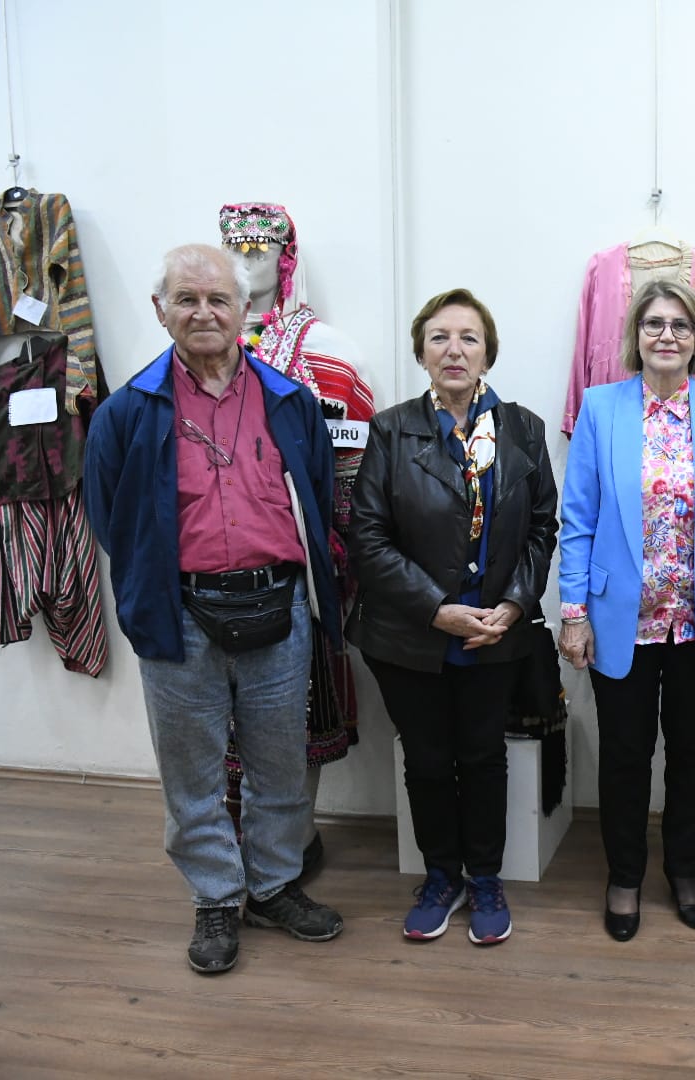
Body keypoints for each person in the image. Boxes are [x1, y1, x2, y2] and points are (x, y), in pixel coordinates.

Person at [83, 243, 345, 975]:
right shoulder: (126, 412)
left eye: (218, 299)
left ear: (244, 310)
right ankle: (217, 898)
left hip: (278, 611)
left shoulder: (289, 402)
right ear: (160, 309)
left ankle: (272, 886)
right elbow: (110, 517)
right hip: (179, 617)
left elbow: (318, 497)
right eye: (187, 299)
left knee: (279, 766)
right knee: (192, 776)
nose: (204, 312)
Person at [348, 288, 558, 946]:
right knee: (429, 761)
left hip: (496, 632)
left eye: (469, 337)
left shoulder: (523, 429)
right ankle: (442, 876)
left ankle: (486, 877)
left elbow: (543, 528)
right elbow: (367, 538)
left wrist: (515, 604)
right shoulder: (391, 430)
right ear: (421, 353)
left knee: (484, 756)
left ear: (487, 353)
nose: (454, 350)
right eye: (439, 337)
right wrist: (436, 610)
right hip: (410, 636)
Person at [558, 279, 695, 942]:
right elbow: (578, 519)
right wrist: (573, 612)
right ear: (636, 336)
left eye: (680, 324)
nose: (667, 335)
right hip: (621, 620)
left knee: (693, 753)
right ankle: (624, 876)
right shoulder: (601, 408)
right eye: (654, 323)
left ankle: (683, 869)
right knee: (624, 756)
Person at [218, 200, 376, 874]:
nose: (245, 261)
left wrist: (343, 560)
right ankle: (231, 848)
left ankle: (290, 841)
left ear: (287, 258)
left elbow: (355, 471)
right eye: (233, 248)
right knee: (217, 713)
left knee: (296, 713)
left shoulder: (327, 354)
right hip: (211, 571)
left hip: (300, 571)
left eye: (259, 249)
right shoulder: (197, 353)